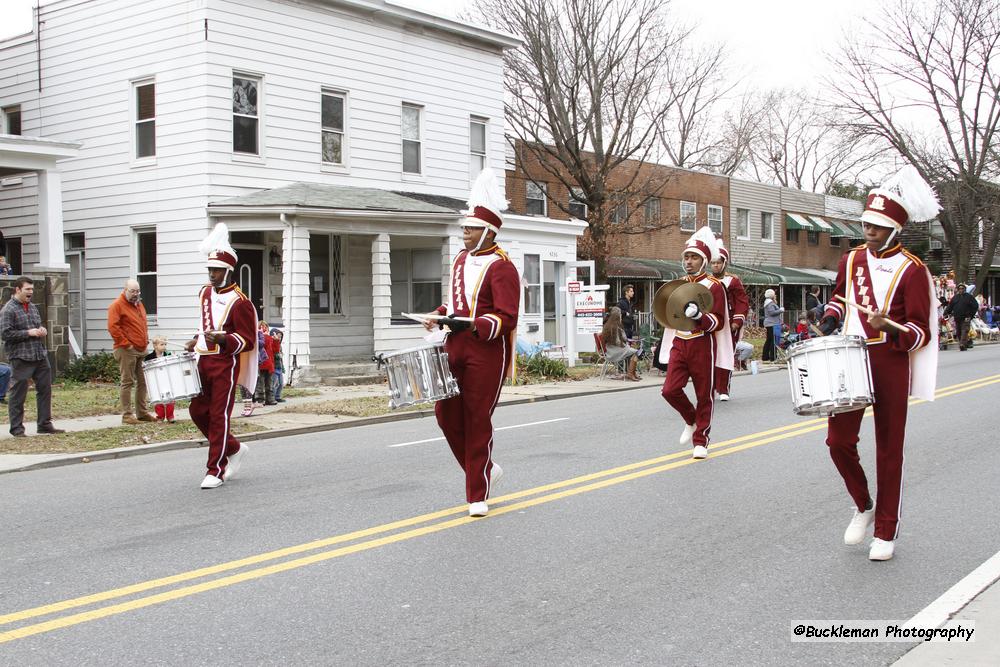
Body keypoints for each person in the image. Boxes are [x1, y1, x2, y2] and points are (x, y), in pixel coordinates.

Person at [816, 165, 939, 562]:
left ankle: (886, 530)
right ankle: (863, 504)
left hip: (889, 358)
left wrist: (890, 325)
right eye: (866, 224)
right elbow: (839, 297)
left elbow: (922, 331)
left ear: (893, 229)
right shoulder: (850, 260)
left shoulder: (913, 270)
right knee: (838, 442)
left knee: (889, 448)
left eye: (876, 226)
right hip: (851, 356)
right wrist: (831, 317)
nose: (868, 231)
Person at [423, 168, 520, 518]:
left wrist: (479, 325)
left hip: (487, 351)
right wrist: (438, 313)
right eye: (464, 228)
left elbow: (507, 316)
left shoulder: (503, 267)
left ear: (488, 231)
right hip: (454, 345)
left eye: (470, 229)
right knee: (445, 414)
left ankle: (476, 493)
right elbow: (456, 302)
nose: (463, 234)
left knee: (478, 418)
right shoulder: (461, 260)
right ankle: (484, 468)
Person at [184, 223, 258, 489]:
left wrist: (225, 339)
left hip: (226, 364)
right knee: (196, 411)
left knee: (218, 415)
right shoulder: (204, 293)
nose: (212, 275)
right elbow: (204, 325)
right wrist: (196, 341)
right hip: (203, 361)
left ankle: (215, 468)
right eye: (210, 270)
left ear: (228, 271)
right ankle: (234, 447)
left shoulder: (241, 302)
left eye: (216, 270)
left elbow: (248, 340)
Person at [657, 226, 731, 459]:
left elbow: (718, 322)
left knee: (704, 394)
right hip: (680, 341)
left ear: (704, 260)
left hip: (702, 344)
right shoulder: (678, 284)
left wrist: (699, 316)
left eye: (694, 257)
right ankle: (691, 420)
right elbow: (668, 314)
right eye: (686, 257)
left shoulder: (715, 286)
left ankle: (701, 440)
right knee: (669, 390)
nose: (688, 262)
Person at [0, 276, 65, 436]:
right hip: (21, 357)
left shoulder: (32, 307)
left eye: (32, 289)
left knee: (45, 390)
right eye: (27, 289)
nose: (31, 292)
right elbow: (5, 333)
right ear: (17, 290)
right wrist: (28, 332)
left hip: (39, 355)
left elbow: (37, 325)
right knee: (18, 394)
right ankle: (17, 429)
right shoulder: (8, 309)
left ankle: (44, 424)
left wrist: (42, 330)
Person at [107, 279, 154, 424]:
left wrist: (145, 339)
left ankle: (142, 412)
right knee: (127, 381)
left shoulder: (139, 304)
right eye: (132, 291)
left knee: (143, 381)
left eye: (138, 291)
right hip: (126, 349)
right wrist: (126, 344)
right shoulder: (117, 305)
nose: (135, 294)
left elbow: (142, 324)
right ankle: (127, 415)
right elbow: (113, 327)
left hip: (141, 348)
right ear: (125, 290)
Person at [710, 245, 748, 401]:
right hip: (711, 323)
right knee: (710, 356)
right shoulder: (706, 281)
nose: (715, 266)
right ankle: (710, 387)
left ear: (724, 263)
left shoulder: (733, 280)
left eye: (718, 262)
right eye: (713, 263)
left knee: (725, 355)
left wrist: (736, 322)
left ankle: (723, 388)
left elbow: (742, 302)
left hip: (728, 323)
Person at [601, 306, 640, 381]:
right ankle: (631, 373)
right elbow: (619, 342)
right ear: (618, 317)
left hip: (609, 352)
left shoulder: (607, 326)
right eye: (620, 316)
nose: (621, 318)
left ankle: (632, 373)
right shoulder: (617, 327)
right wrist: (626, 344)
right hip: (617, 352)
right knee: (636, 352)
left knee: (631, 351)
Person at [144, 336, 176, 422]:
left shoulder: (168, 355)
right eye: (162, 344)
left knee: (170, 397)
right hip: (155, 380)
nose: (164, 346)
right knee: (157, 397)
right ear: (155, 346)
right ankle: (160, 416)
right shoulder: (149, 357)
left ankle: (170, 416)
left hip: (167, 378)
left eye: (165, 344)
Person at [943, 283, 979, 351]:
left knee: (964, 331)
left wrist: (970, 315)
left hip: (966, 317)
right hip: (957, 317)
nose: (961, 290)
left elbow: (975, 306)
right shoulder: (955, 297)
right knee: (958, 332)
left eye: (962, 288)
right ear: (957, 289)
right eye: (959, 289)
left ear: (965, 289)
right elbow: (950, 306)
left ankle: (962, 344)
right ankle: (962, 343)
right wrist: (946, 312)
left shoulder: (969, 297)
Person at [254, 320, 277, 406]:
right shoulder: (258, 337)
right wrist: (265, 335)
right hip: (261, 363)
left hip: (269, 364)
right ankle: (260, 399)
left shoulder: (269, 338)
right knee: (260, 383)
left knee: (269, 384)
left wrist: (276, 341)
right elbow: (263, 344)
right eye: (261, 327)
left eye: (266, 326)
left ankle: (270, 399)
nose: (264, 328)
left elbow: (275, 350)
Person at [761, 289, 784, 361]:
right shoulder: (770, 303)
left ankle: (765, 356)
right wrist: (780, 310)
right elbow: (772, 312)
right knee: (773, 340)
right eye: (774, 294)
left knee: (769, 340)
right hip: (772, 324)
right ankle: (772, 357)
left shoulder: (768, 302)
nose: (775, 295)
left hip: (770, 323)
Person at [271, 328, 286, 402]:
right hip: (274, 367)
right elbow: (273, 354)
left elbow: (281, 358)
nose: (279, 339)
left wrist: (282, 367)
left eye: (280, 337)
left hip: (279, 367)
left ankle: (278, 396)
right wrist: (278, 355)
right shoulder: (272, 344)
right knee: (275, 383)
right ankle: (272, 397)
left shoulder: (280, 346)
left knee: (281, 383)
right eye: (278, 337)